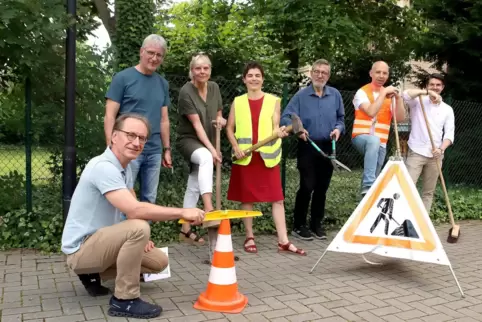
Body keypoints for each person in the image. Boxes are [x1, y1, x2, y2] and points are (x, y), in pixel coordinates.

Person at [61, 113, 205, 319]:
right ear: (114, 137)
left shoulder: (124, 167)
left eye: (142, 138)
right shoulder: (103, 167)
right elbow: (135, 210)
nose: (136, 142)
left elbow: (130, 204)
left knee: (159, 262)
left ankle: (92, 274)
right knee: (139, 228)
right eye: (130, 135)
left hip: (102, 241)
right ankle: (124, 300)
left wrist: (135, 240)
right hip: (82, 249)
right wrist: (182, 212)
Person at [226, 61, 306, 256]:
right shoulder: (238, 101)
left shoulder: (273, 101)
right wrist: (236, 147)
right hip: (245, 156)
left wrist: (279, 132)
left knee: (277, 199)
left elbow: (275, 125)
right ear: (244, 79)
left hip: (267, 157)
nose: (254, 79)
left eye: (257, 75)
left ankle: (283, 241)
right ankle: (249, 236)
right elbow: (229, 128)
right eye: (250, 75)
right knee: (247, 199)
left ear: (262, 79)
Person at [281, 59, 345, 241]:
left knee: (322, 188)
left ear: (328, 75)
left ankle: (317, 224)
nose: (320, 75)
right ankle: (298, 225)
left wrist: (338, 130)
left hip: (328, 146)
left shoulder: (335, 95)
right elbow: (286, 117)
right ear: (311, 73)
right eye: (317, 71)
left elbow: (341, 119)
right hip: (308, 145)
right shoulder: (301, 96)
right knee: (307, 186)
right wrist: (298, 129)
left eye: (324, 72)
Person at [104, 34, 172, 206]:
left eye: (159, 55)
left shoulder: (162, 83)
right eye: (151, 53)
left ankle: (143, 233)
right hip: (127, 148)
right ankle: (124, 233)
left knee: (149, 199)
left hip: (154, 150)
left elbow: (164, 120)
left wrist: (167, 149)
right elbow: (110, 115)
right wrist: (111, 145)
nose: (154, 58)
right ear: (141, 52)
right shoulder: (122, 78)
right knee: (125, 198)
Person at [176, 53, 225, 255]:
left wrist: (221, 121)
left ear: (210, 70)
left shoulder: (214, 87)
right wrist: (213, 150)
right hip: (189, 140)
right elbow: (196, 125)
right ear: (192, 71)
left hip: (209, 141)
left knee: (195, 181)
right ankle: (209, 208)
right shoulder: (186, 91)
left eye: (206, 68)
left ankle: (185, 229)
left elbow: (219, 114)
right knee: (205, 158)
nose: (202, 71)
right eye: (198, 68)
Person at [351, 61, 406, 196]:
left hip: (381, 142)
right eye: (378, 72)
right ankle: (368, 184)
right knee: (373, 141)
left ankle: (365, 203)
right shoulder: (362, 92)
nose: (381, 76)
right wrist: (383, 93)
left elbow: (399, 119)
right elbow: (370, 112)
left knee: (372, 185)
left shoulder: (390, 96)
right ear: (371, 73)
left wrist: (398, 99)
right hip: (361, 137)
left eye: (385, 73)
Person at [402, 73, 454, 213]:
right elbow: (405, 95)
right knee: (407, 187)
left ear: (442, 87)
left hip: (436, 155)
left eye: (438, 85)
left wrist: (441, 149)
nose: (435, 87)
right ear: (427, 86)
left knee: (428, 192)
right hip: (416, 152)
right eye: (432, 84)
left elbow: (449, 134)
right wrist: (426, 92)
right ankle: (406, 218)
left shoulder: (447, 110)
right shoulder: (418, 101)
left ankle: (423, 223)